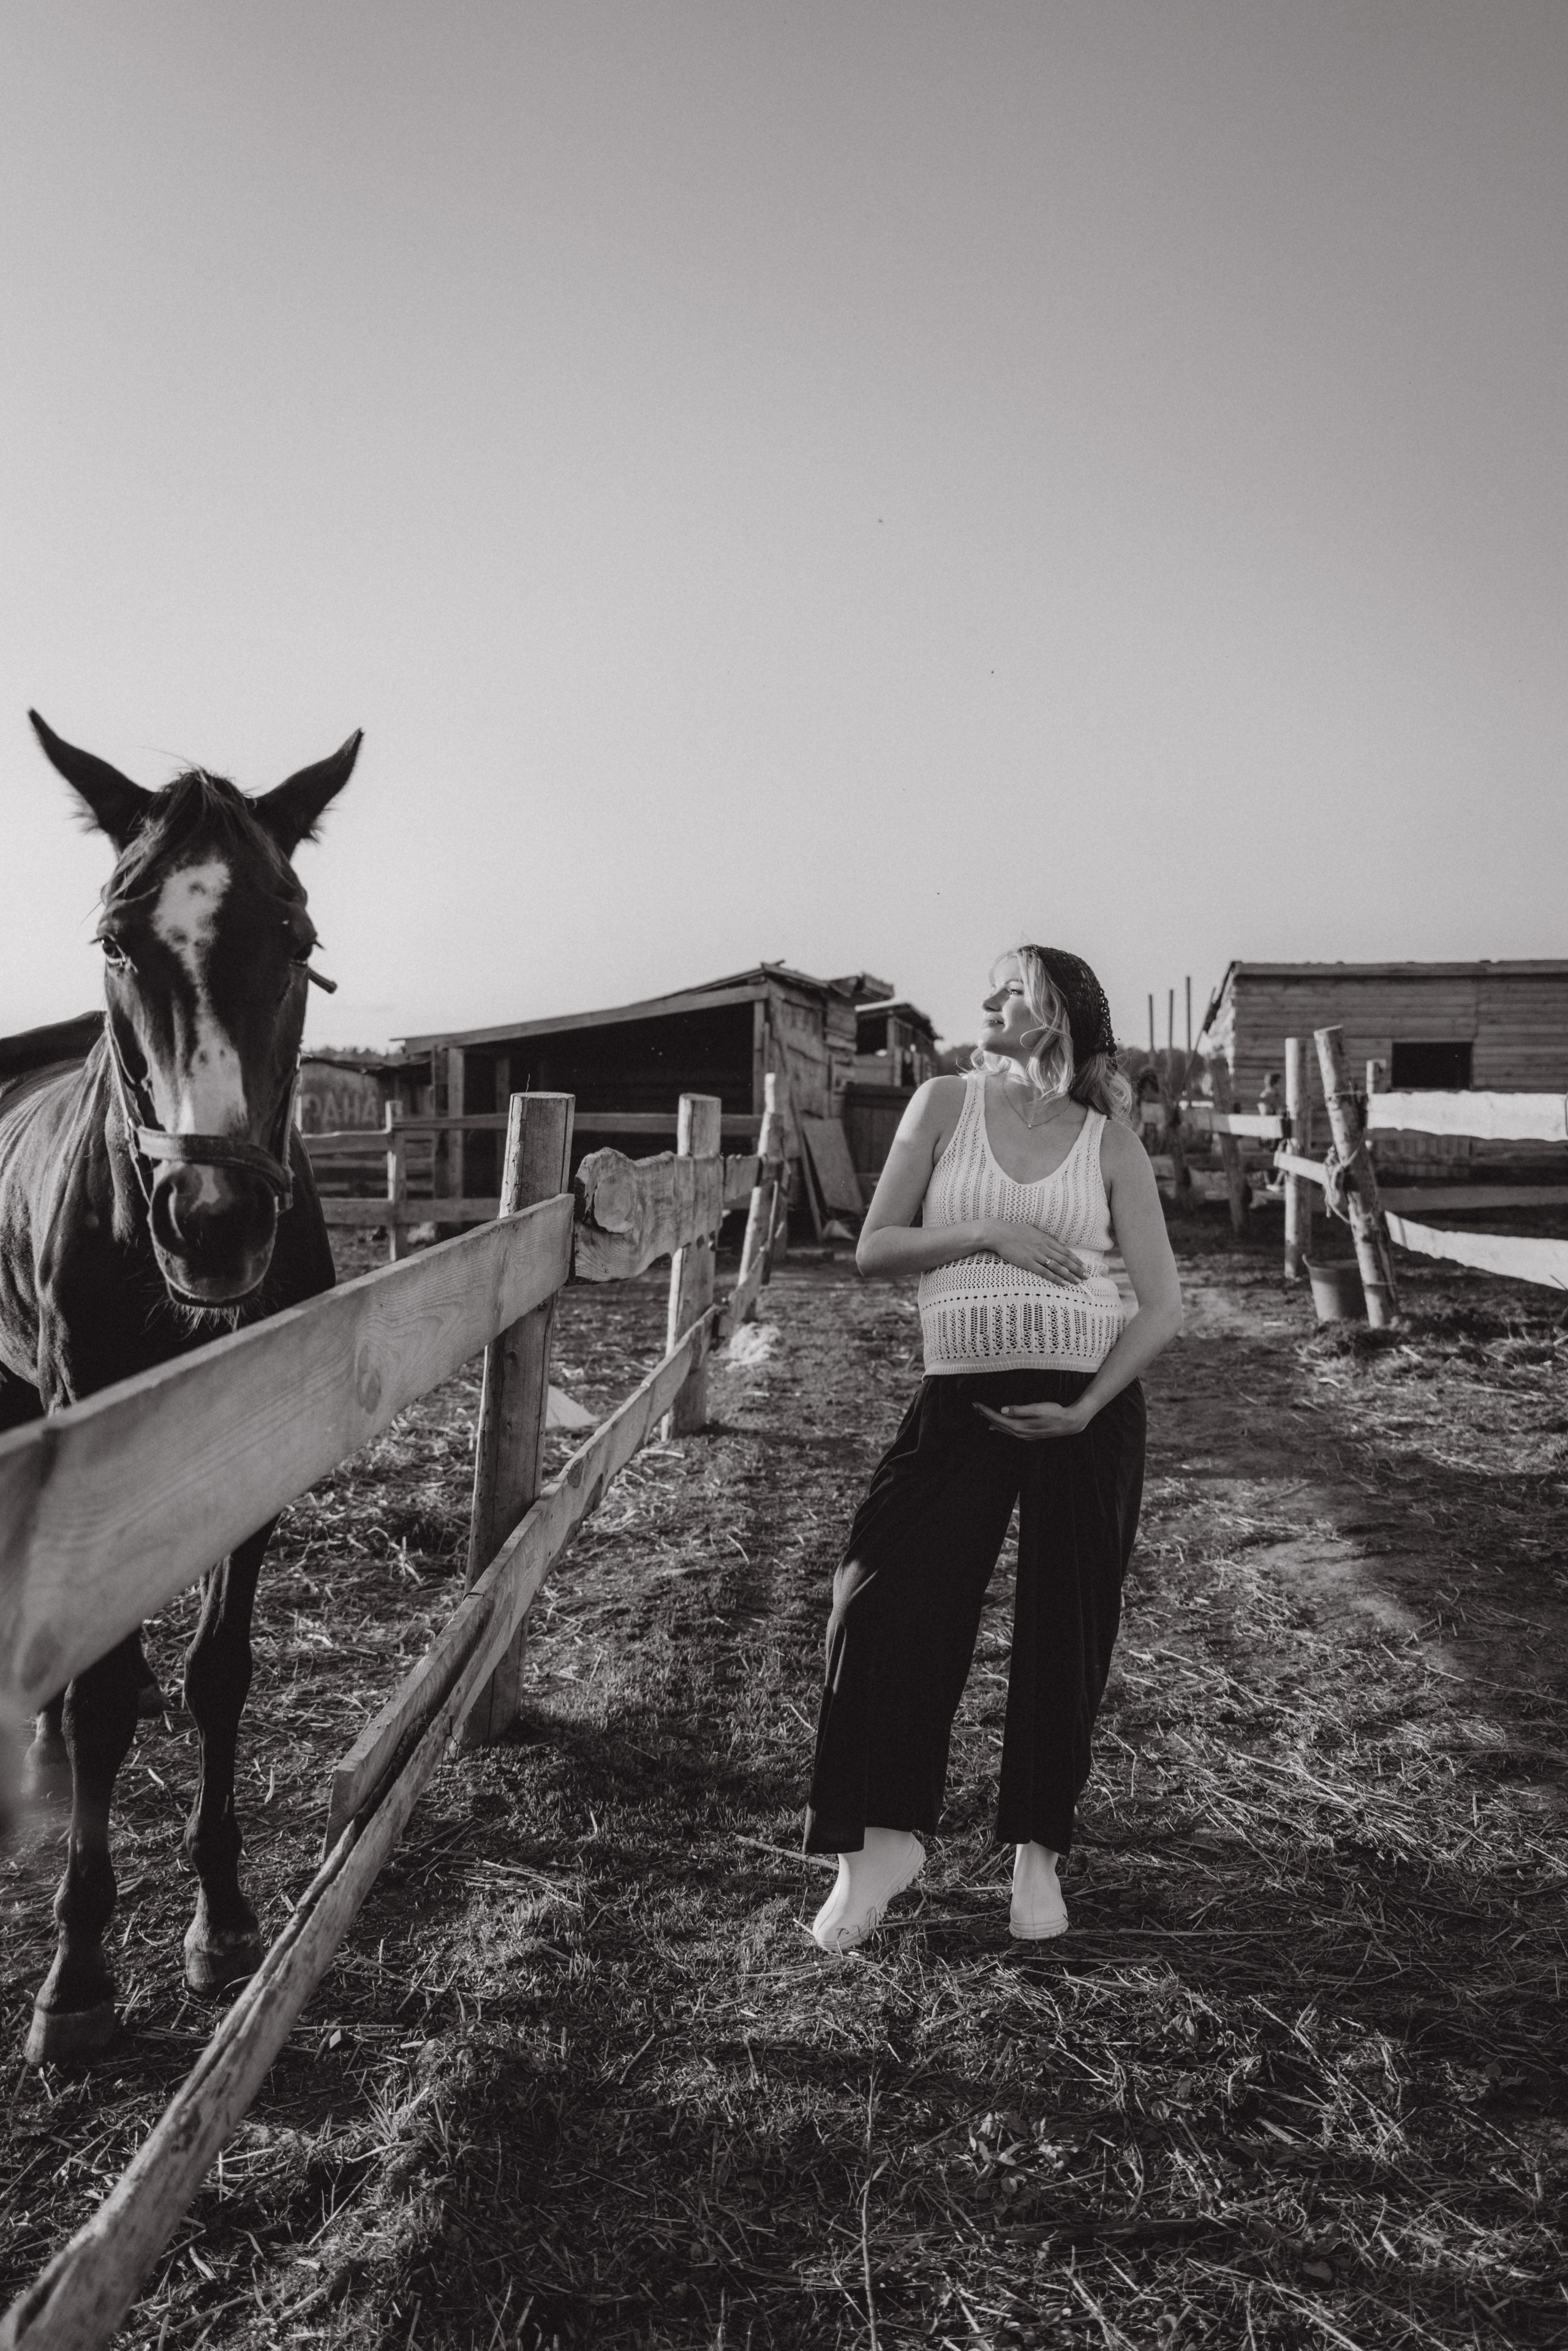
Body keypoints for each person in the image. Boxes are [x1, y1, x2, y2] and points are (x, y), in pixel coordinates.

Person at [804, 945, 1183, 1950]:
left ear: (1051, 1016)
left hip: (1083, 1413)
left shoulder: (1110, 1144)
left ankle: (1036, 1857)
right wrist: (987, 1234)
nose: (984, 1001)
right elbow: (874, 1249)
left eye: (1008, 990)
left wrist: (1092, 1405)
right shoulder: (942, 1105)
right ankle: (883, 1845)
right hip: (961, 1399)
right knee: (875, 1598)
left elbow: (1163, 1305)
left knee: (1065, 1625)